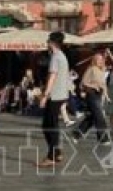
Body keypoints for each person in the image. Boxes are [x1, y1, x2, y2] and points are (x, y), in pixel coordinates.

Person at [39, 31, 71, 167]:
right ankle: (56, 152)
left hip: (54, 95)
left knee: (48, 125)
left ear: (52, 43)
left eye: (48, 41)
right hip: (61, 94)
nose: (47, 44)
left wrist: (45, 96)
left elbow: (52, 77)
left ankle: (52, 155)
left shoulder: (55, 57)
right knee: (52, 125)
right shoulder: (63, 56)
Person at [73, 51, 111, 145]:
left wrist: (107, 96)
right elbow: (83, 83)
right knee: (99, 116)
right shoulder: (91, 69)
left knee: (92, 117)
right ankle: (103, 138)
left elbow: (104, 85)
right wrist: (94, 86)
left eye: (101, 59)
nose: (100, 61)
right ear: (94, 60)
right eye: (97, 59)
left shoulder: (102, 70)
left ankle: (77, 133)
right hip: (92, 94)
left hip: (99, 95)